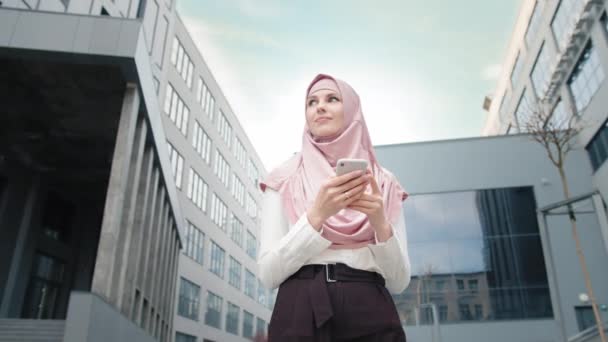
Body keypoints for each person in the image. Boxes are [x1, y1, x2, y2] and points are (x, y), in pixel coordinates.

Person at [257, 74, 411, 341]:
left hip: (369, 305)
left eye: (332, 98)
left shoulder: (385, 182)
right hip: (301, 306)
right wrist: (316, 216)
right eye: (311, 102)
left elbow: (399, 281)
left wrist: (379, 223)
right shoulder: (283, 179)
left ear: (352, 109)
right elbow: (268, 274)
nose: (320, 107)